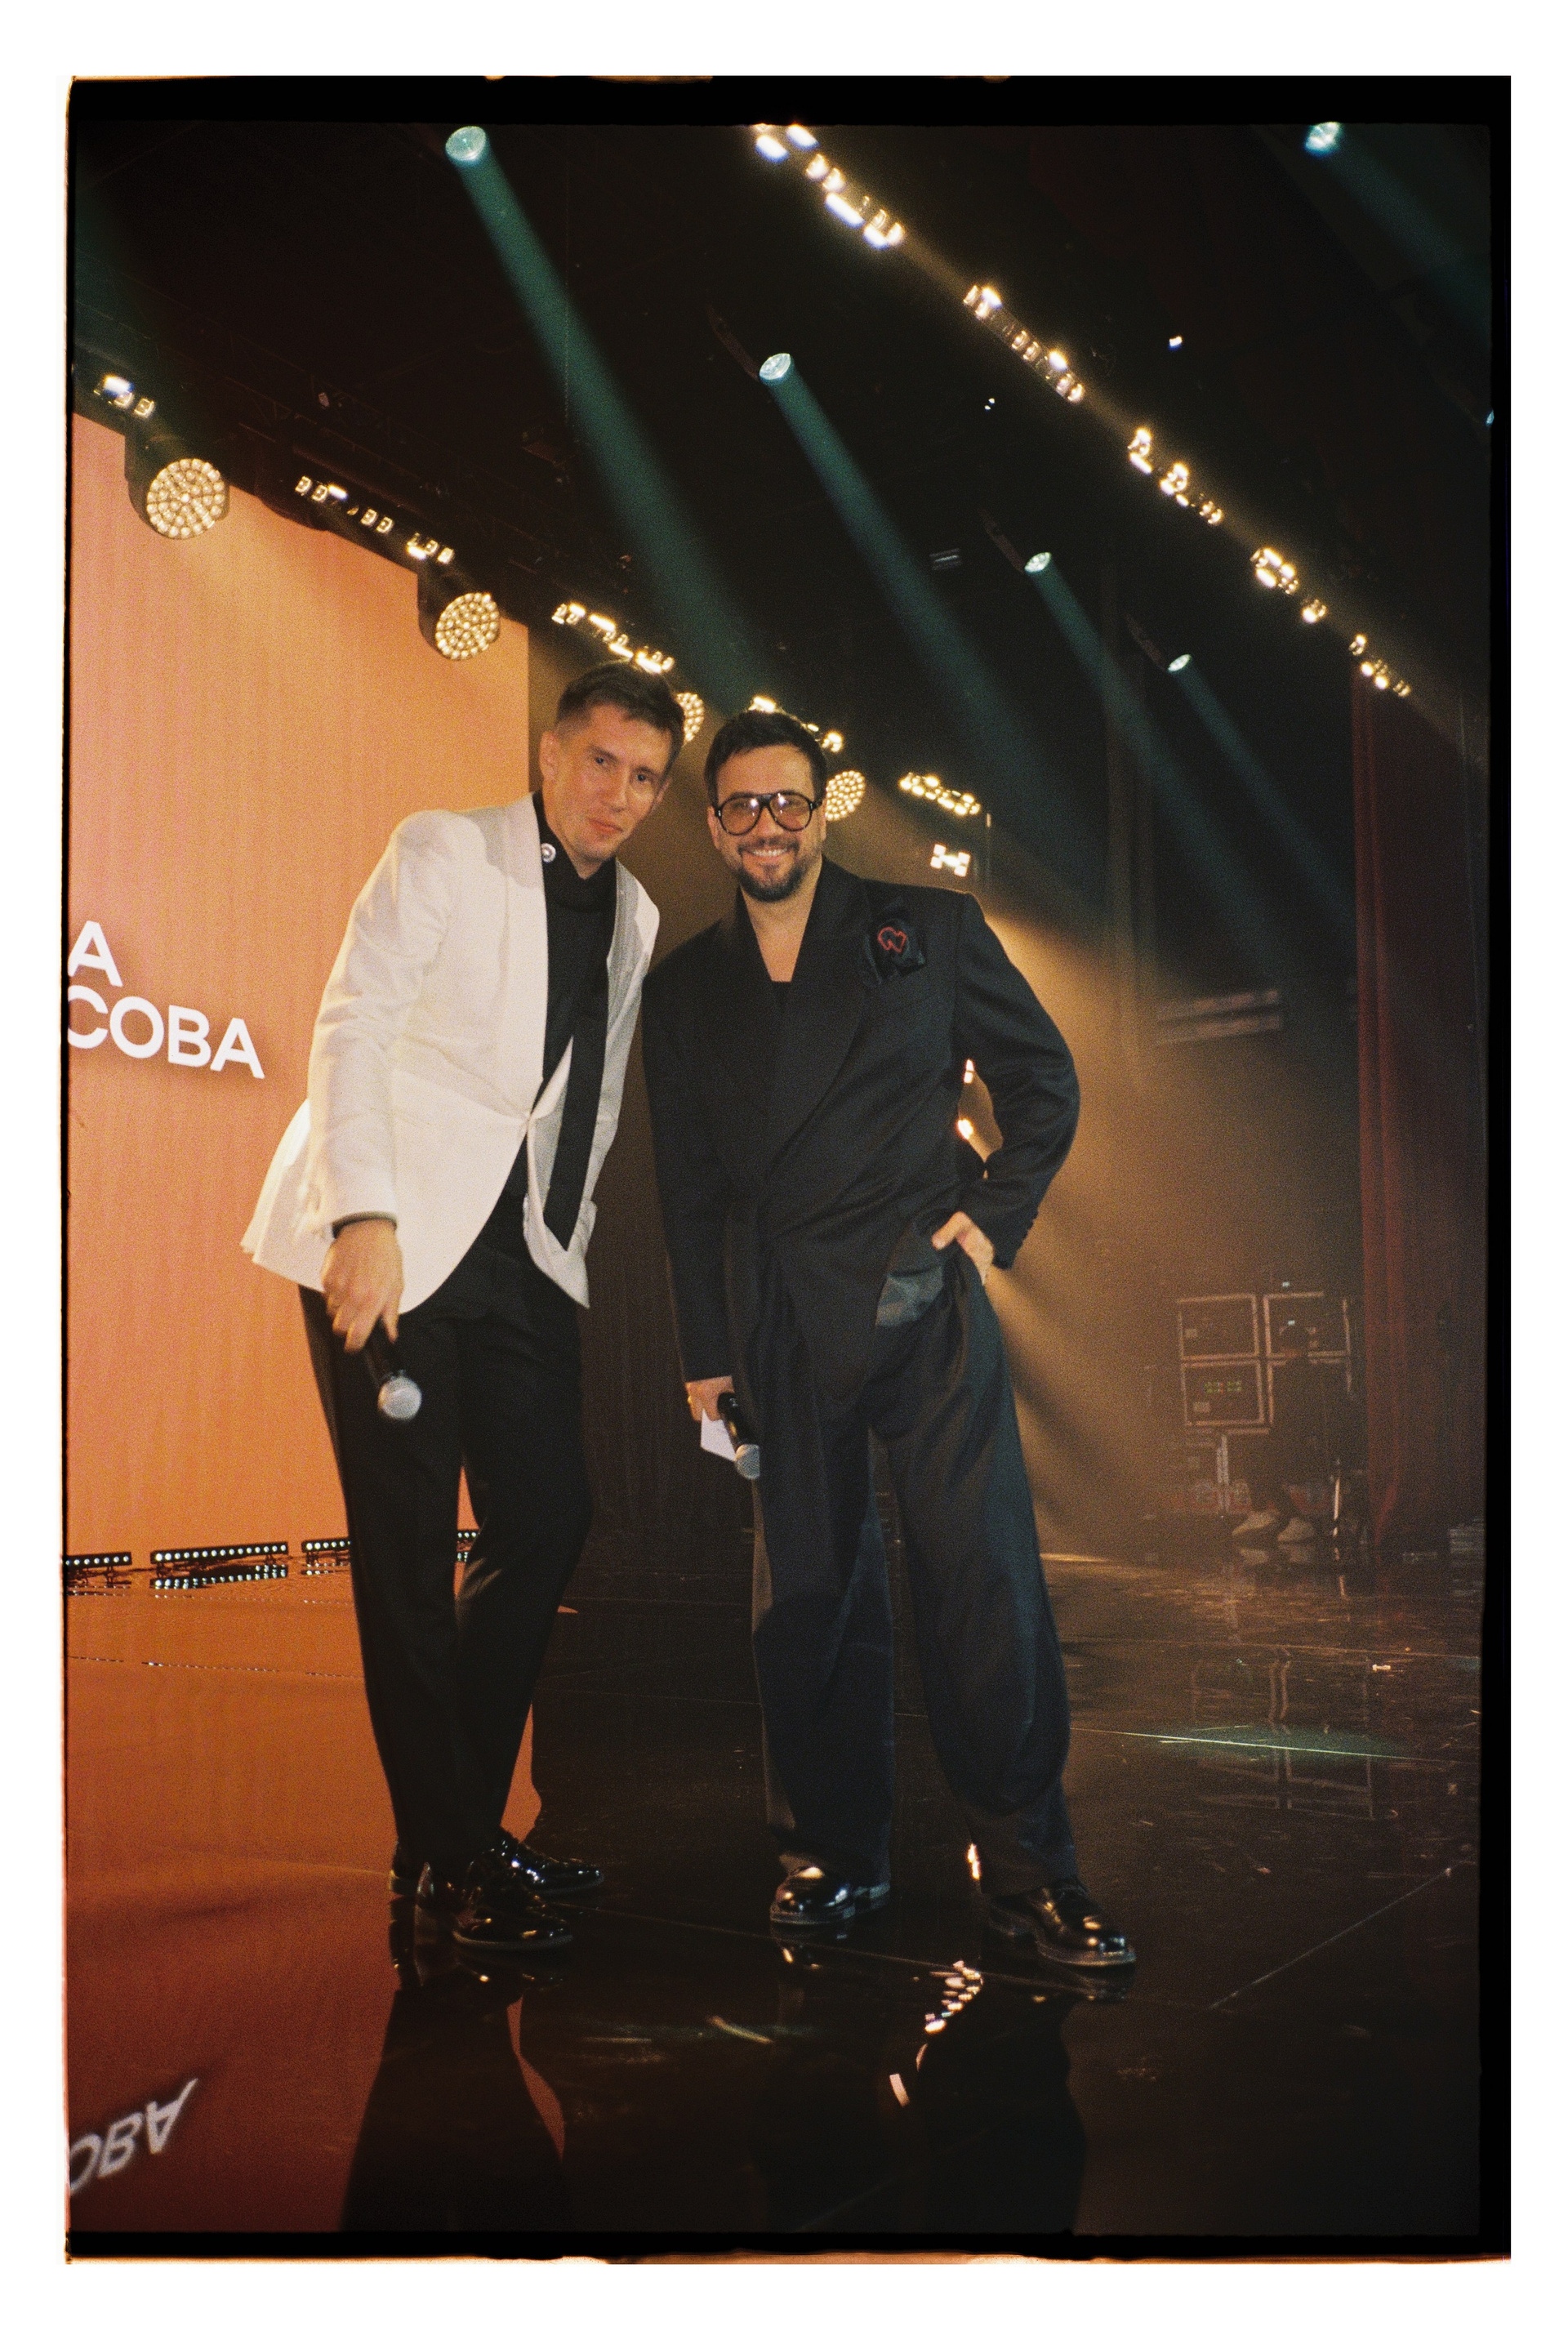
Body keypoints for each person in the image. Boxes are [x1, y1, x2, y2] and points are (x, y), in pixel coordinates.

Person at [639, 707, 1134, 1977]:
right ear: (715, 826)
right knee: (806, 1595)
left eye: (788, 801)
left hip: (924, 1300)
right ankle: (830, 1856)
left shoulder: (929, 929)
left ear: (823, 809)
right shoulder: (683, 988)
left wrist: (987, 1219)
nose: (767, 824)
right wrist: (707, 1352)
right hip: (779, 1317)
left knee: (985, 1585)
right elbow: (687, 1190)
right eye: (742, 805)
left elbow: (1045, 1080)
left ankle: (1030, 1872)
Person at [243, 662, 683, 1955]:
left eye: (646, 777)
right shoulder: (446, 848)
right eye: (601, 761)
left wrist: (567, 1239)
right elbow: (353, 1022)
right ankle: (449, 1850)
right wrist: (362, 1216)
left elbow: (588, 1099)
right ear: (550, 755)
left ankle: (458, 1829)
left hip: (519, 1252)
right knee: (406, 1551)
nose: (619, 795)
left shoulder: (638, 911)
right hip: (394, 1234)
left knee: (548, 1515)